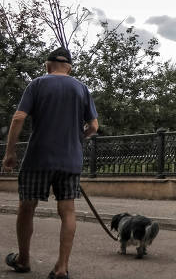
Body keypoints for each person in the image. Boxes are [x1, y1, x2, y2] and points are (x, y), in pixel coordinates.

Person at [2, 47, 99, 279]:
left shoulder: (36, 84)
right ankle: (61, 267)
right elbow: (94, 126)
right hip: (70, 161)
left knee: (27, 207)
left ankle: (23, 260)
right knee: (67, 211)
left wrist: (10, 154)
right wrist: (78, 138)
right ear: (70, 68)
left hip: (38, 160)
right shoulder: (81, 88)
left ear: (47, 66)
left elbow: (18, 118)